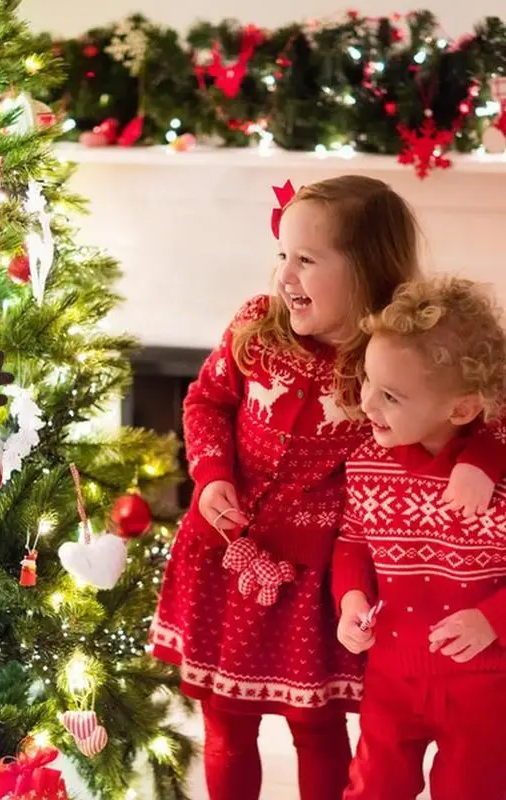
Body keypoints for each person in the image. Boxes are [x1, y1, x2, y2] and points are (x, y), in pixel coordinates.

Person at [150, 176, 505, 800]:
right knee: (225, 723)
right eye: (282, 254)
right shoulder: (257, 328)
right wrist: (211, 477)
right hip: (226, 556)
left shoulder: (393, 358)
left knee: (314, 728)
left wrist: (481, 457)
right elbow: (205, 400)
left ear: (367, 270)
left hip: (313, 577)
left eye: (307, 259)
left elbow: (479, 409)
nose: (285, 274)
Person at [335, 276, 506, 800]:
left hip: (483, 684)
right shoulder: (366, 461)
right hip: (391, 674)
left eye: (389, 395)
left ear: (461, 409)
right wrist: (350, 600)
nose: (366, 403)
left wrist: (492, 618)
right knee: (372, 789)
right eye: (367, 381)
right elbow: (353, 543)